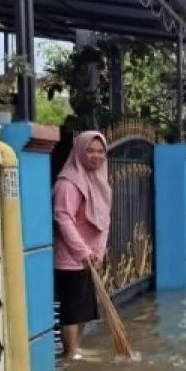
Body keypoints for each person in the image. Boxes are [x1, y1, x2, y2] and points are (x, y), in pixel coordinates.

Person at [53, 131, 112, 359]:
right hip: (71, 259)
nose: (96, 156)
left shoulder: (98, 180)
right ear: (79, 151)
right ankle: (71, 352)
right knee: (72, 310)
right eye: (90, 150)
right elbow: (63, 218)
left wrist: (98, 251)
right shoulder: (68, 183)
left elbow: (103, 219)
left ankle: (76, 350)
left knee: (85, 310)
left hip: (90, 259)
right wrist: (82, 251)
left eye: (100, 151)